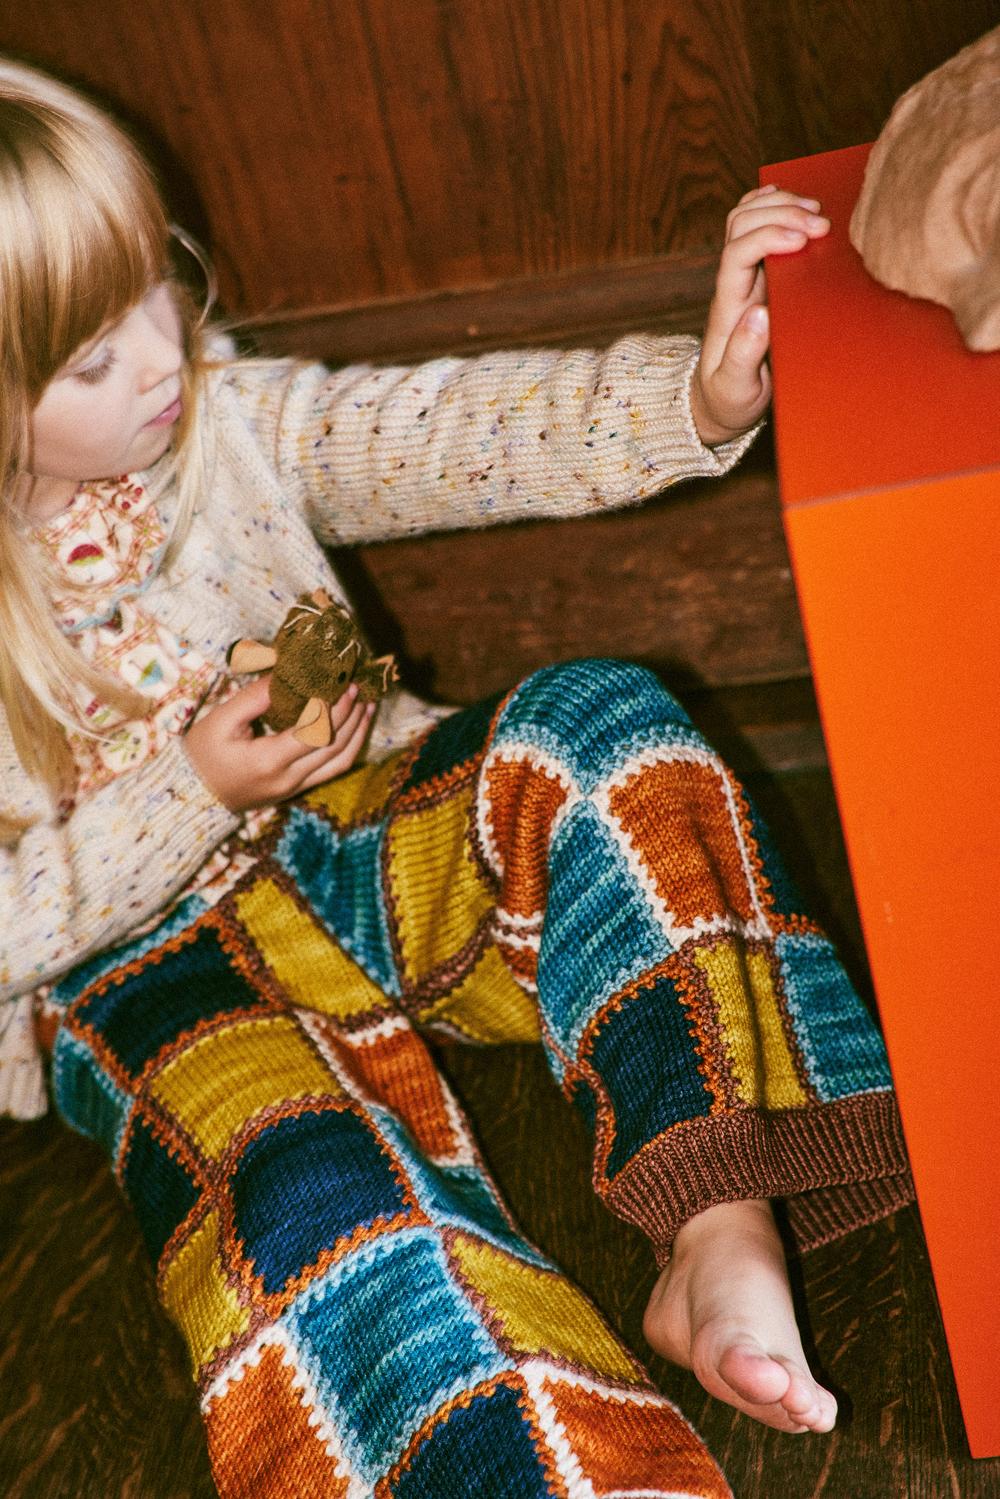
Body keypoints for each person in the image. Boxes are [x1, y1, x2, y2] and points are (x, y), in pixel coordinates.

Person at [0, 55, 913, 1499]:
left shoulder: (221, 424)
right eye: (90, 361)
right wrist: (189, 790)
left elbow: (451, 430)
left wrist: (690, 394)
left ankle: (721, 1217)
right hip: (141, 975)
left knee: (600, 731)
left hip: (353, 834)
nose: (162, 360)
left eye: (151, 289)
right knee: (313, 1205)